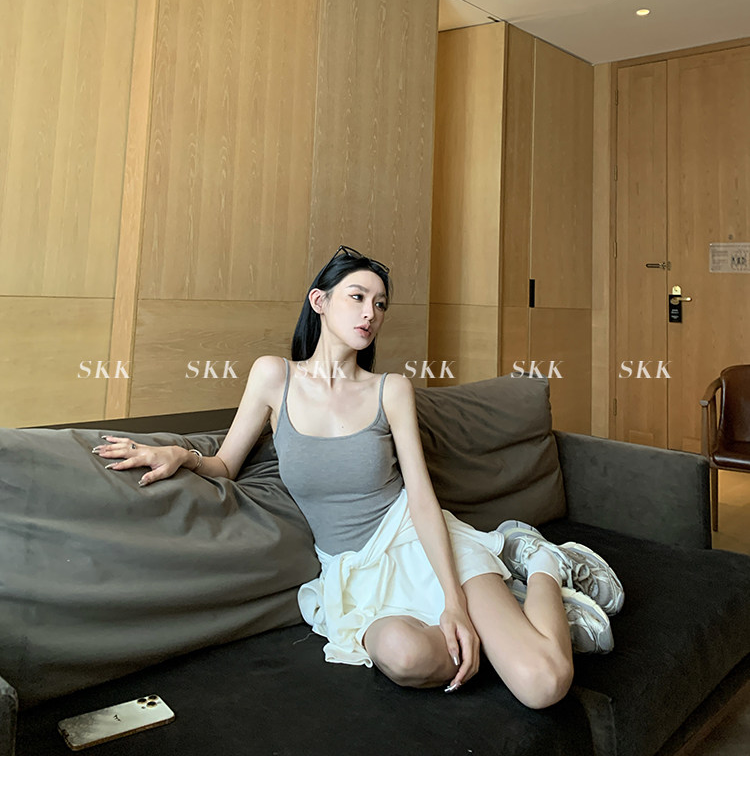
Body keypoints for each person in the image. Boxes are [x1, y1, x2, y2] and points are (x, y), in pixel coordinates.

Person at [93, 245, 623, 708]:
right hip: (353, 570)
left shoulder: (390, 390)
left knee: (543, 683)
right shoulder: (272, 376)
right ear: (319, 301)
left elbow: (421, 497)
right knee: (404, 656)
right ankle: (513, 613)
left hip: (420, 541)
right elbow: (225, 465)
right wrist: (180, 454)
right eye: (357, 297)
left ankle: (544, 561)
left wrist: (455, 602)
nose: (371, 313)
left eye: (380, 304)